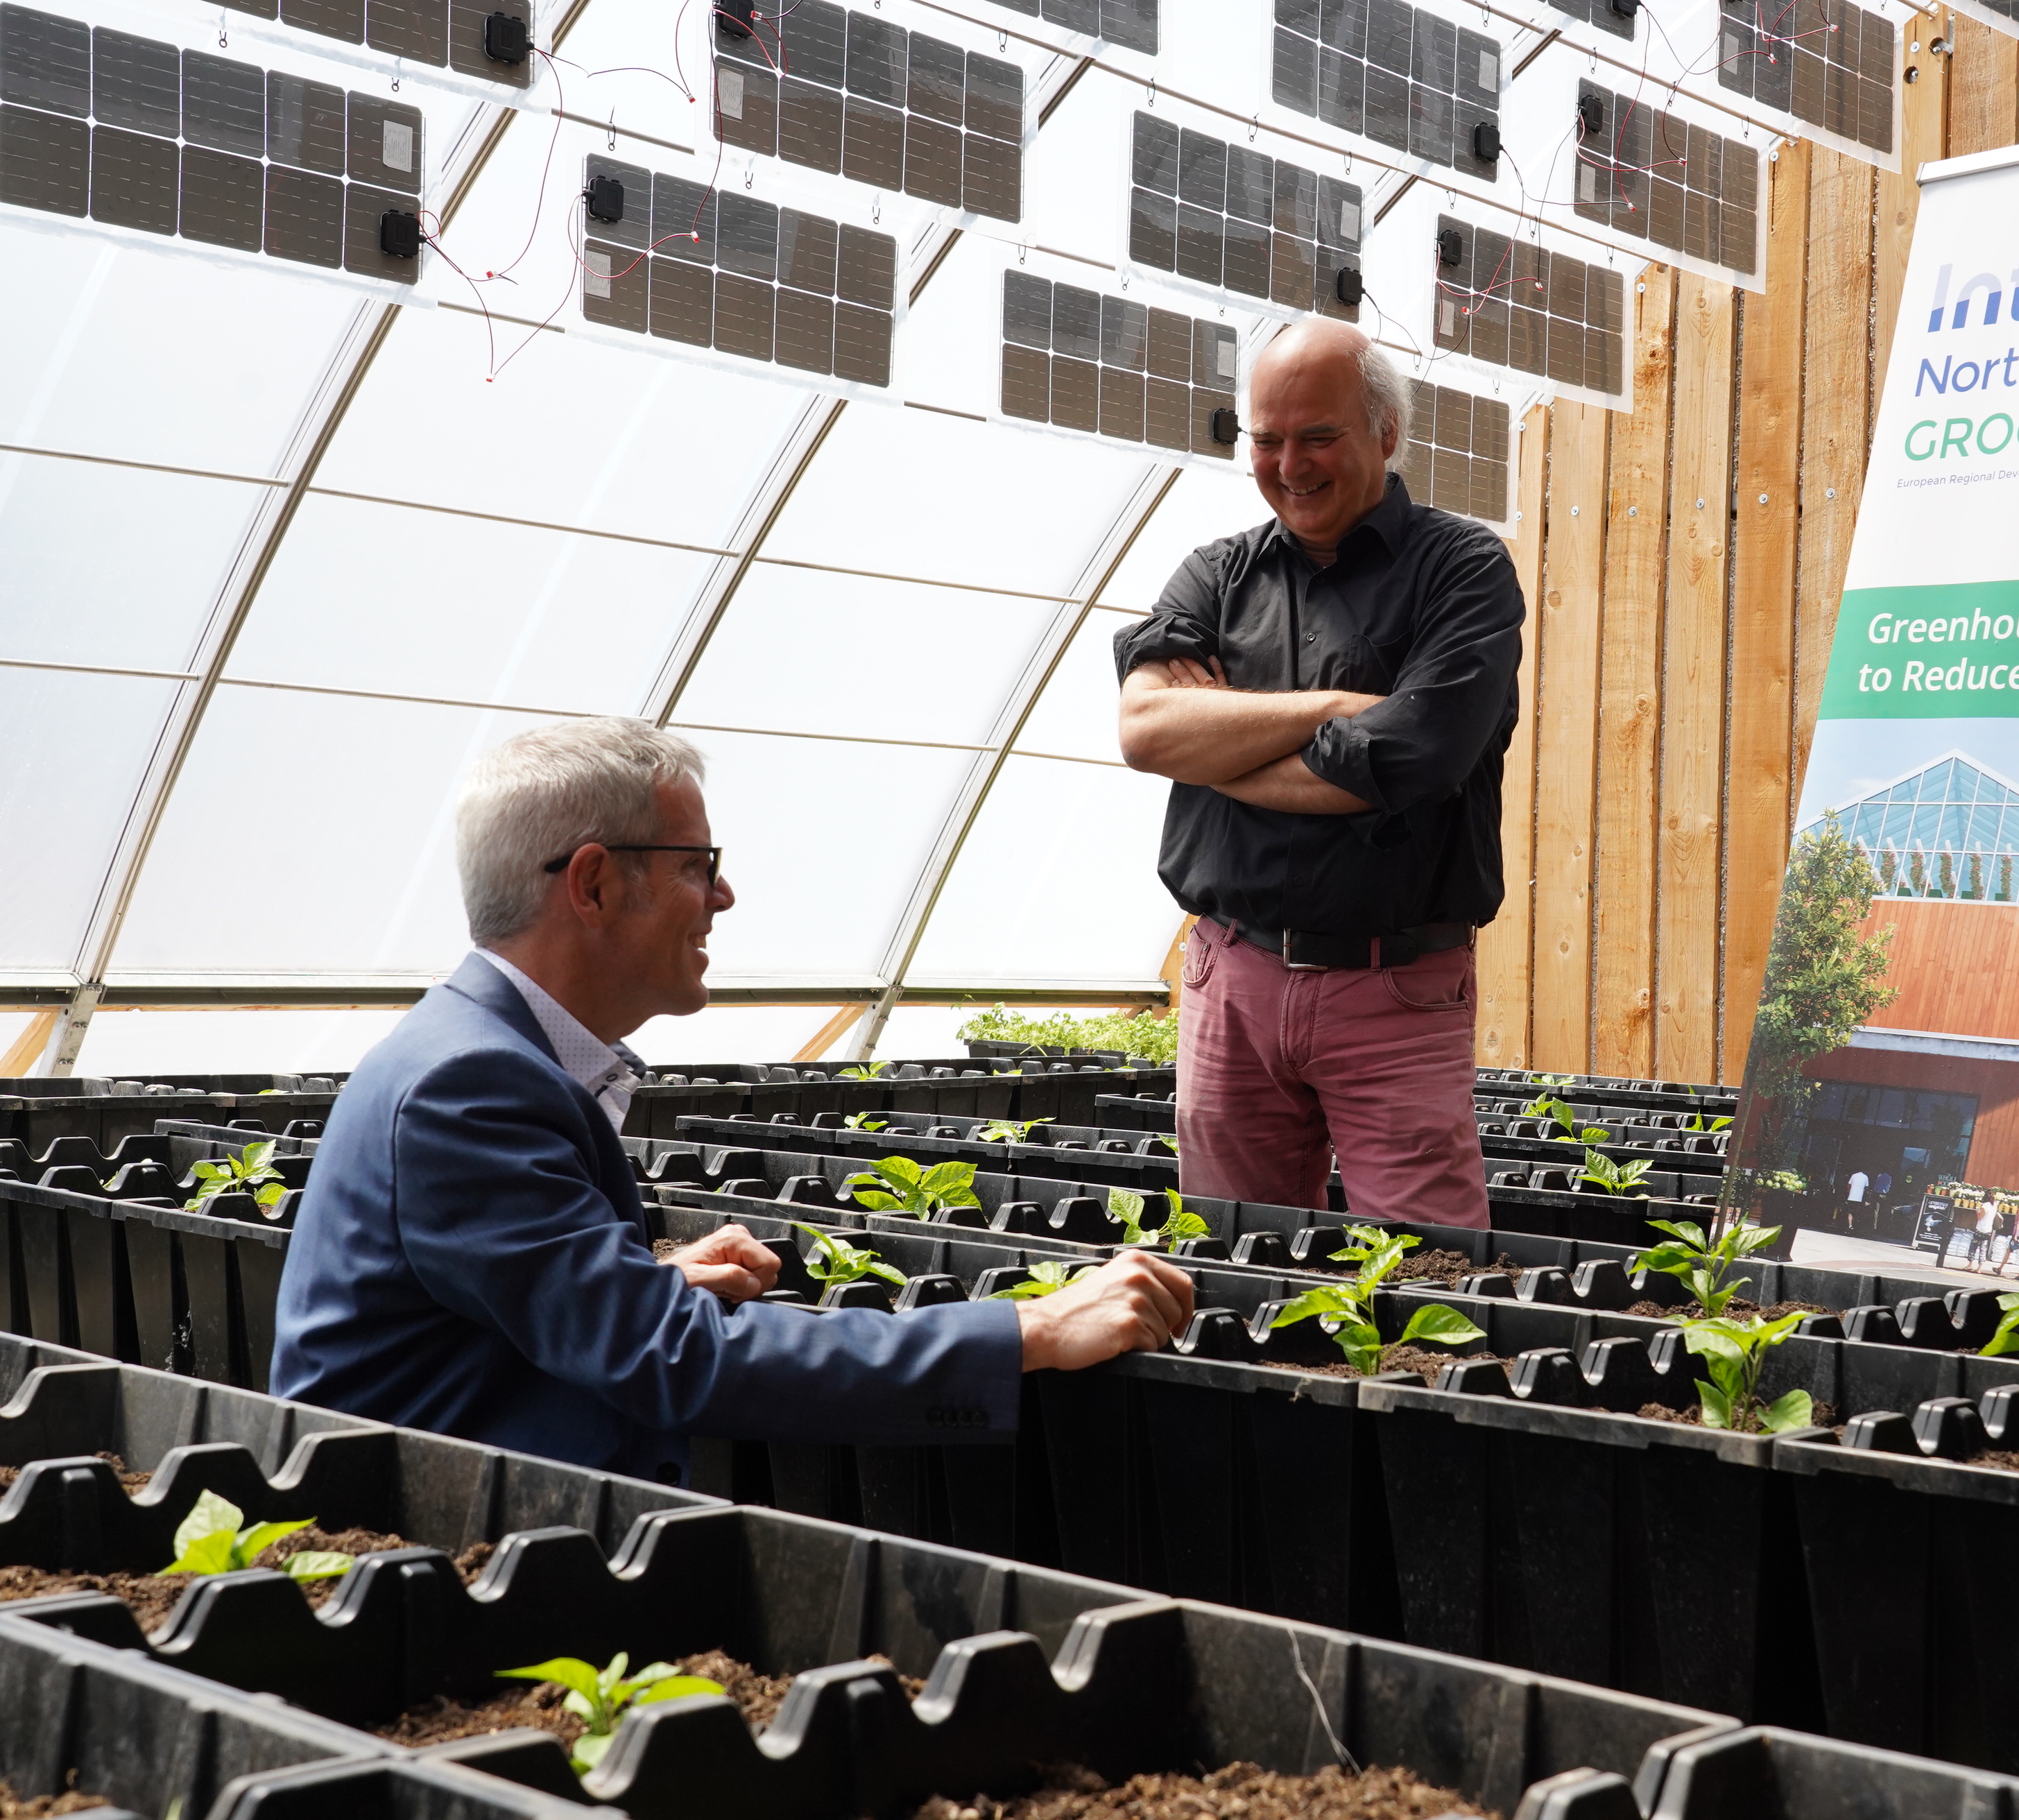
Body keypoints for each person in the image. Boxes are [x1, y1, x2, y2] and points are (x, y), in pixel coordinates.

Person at [272, 720, 1192, 1484]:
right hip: (431, 1560)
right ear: (592, 883)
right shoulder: (466, 1089)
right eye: (695, 865)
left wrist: (643, 1285)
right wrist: (1031, 1327)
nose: (723, 894)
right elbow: (679, 1360)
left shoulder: (474, 1053)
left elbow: (502, 1322)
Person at [1115, 318, 1526, 1228]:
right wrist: (1330, 711)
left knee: (1428, 1278)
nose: (1289, 463)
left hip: (1394, 990)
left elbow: (1406, 758)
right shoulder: (1215, 577)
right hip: (1232, 979)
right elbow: (1146, 730)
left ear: (1386, 433)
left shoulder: (1463, 572)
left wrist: (1221, 747)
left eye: (1319, 436)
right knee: (1232, 1267)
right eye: (1267, 439)